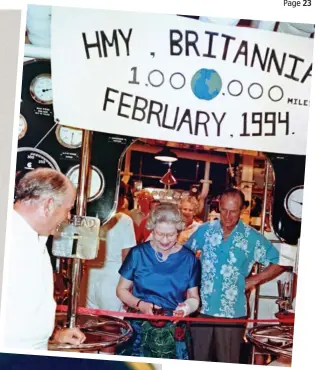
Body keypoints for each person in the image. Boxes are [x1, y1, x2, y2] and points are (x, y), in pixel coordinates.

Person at [185, 188, 286, 364]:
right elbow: (184, 256)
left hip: (232, 312)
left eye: (233, 211)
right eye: (224, 210)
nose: (228, 216)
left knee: (228, 362)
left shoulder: (252, 237)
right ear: (219, 207)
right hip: (201, 308)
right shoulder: (205, 230)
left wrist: (253, 280)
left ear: (242, 210)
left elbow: (281, 261)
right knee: (197, 360)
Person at [1, 168, 86, 350]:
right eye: (68, 210)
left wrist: (55, 334)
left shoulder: (37, 238)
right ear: (48, 205)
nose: (68, 218)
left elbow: (27, 306)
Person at [116, 203, 200, 359]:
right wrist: (140, 304)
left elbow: (194, 298)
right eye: (160, 234)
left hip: (173, 330)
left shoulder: (189, 259)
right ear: (152, 229)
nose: (165, 240)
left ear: (179, 230)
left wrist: (186, 308)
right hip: (138, 327)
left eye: (171, 235)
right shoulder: (138, 253)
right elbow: (121, 290)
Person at [81, 181, 136, 311]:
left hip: (89, 276)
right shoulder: (124, 220)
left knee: (89, 323)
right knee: (112, 325)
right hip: (114, 279)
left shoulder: (89, 217)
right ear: (119, 197)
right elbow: (127, 258)